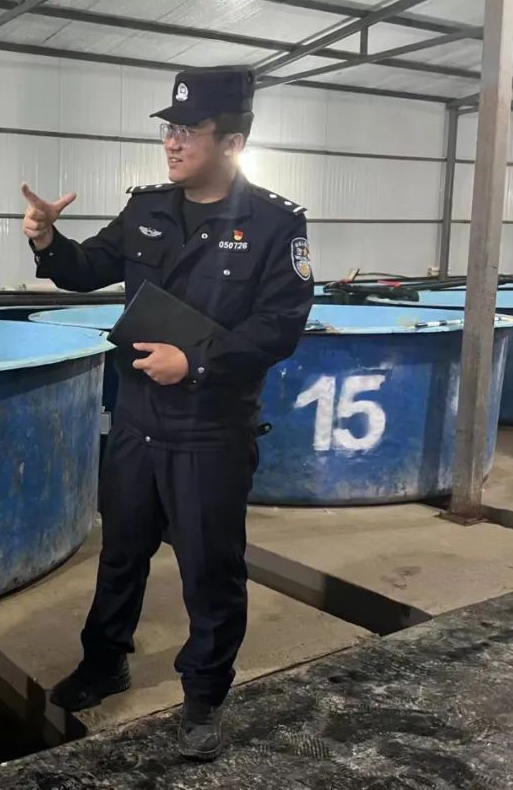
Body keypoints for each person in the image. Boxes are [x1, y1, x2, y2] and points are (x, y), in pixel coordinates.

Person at [21, 66, 313, 761]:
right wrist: (47, 240)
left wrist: (197, 362)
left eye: (189, 130)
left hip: (210, 430)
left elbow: (281, 325)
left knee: (210, 568)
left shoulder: (274, 223)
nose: (172, 143)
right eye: (169, 129)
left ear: (232, 141)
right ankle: (104, 663)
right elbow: (87, 268)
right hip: (137, 419)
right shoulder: (147, 209)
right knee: (120, 554)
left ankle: (204, 696)